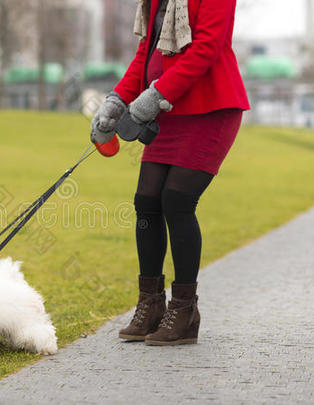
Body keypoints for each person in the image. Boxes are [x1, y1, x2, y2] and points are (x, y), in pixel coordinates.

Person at [91, 0, 249, 345]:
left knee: (176, 201)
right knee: (147, 201)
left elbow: (206, 49)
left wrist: (156, 94)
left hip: (210, 108)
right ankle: (151, 303)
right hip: (168, 110)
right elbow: (146, 55)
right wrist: (116, 101)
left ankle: (184, 310)